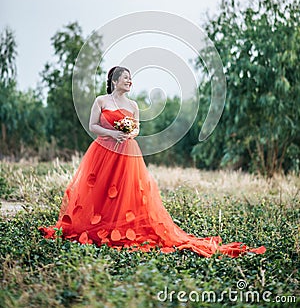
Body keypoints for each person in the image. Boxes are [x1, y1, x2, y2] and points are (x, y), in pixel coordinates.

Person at [39, 66, 266, 257]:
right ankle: (95, 224)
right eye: (126, 78)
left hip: (127, 151)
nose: (129, 81)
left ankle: (118, 226)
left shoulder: (133, 105)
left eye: (131, 79)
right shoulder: (101, 101)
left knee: (125, 190)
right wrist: (112, 134)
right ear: (115, 81)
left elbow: (137, 129)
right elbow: (92, 126)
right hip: (103, 149)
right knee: (100, 188)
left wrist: (128, 133)